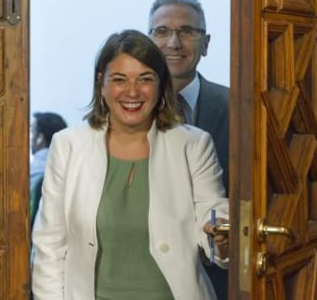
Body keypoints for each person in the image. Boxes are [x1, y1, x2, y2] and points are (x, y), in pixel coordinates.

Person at [31, 29, 229, 300]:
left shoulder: (194, 145)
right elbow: (49, 247)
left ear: (160, 85)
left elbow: (214, 220)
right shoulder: (68, 145)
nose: (132, 92)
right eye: (120, 79)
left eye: (145, 79)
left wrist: (220, 237)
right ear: (101, 83)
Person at [148, 0, 230, 299]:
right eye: (161, 31)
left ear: (206, 43)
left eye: (187, 31)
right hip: (144, 273)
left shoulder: (242, 109)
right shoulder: (126, 110)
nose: (174, 42)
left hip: (220, 278)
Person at [30, 111, 67, 228]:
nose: (30, 138)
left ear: (40, 138)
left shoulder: (34, 169)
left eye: (32, 133)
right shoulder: (70, 169)